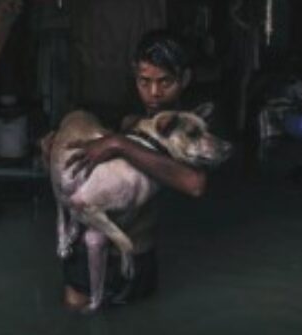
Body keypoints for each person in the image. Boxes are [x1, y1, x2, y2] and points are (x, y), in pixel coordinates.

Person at [43, 30, 208, 310]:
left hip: (138, 253)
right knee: (79, 319)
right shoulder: (125, 113)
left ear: (185, 79)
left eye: (165, 82)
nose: (154, 92)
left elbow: (194, 183)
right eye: (145, 82)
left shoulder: (193, 128)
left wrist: (120, 144)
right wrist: (52, 151)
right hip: (88, 251)